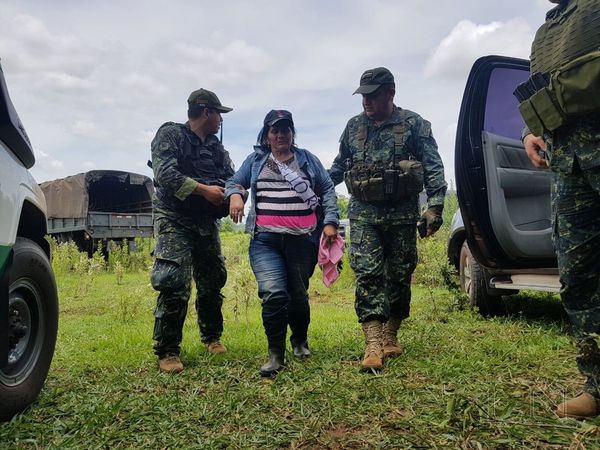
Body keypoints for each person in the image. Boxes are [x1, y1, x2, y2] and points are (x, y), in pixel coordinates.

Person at [329, 67, 447, 371]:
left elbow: (433, 167)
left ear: (390, 93)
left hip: (402, 215)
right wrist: (312, 186)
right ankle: (372, 344)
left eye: (372, 95)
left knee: (399, 273)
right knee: (367, 273)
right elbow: (339, 167)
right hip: (364, 214)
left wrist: (434, 206)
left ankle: (391, 334)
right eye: (363, 96)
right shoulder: (354, 127)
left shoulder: (413, 124)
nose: (366, 102)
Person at [519, 0, 600, 418]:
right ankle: (598, 385)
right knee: (579, 277)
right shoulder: (547, 30)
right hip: (567, 165)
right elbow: (545, 92)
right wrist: (531, 131)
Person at [225, 110, 339, 376]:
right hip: (266, 241)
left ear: (292, 133)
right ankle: (275, 354)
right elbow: (234, 181)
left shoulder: (307, 160)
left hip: (303, 241)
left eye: (286, 130)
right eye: (275, 130)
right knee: (274, 293)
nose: (281, 135)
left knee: (298, 295)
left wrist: (330, 221)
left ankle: (300, 340)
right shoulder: (256, 161)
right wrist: (235, 195)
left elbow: (328, 189)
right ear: (267, 135)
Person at [149, 88, 235, 373]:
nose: (221, 121)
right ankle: (168, 350)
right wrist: (203, 190)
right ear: (206, 112)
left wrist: (235, 193)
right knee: (173, 280)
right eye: (219, 114)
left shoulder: (215, 148)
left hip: (205, 221)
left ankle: (212, 337)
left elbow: (233, 177)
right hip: (174, 218)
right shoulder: (170, 135)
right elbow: (165, 174)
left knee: (213, 278)